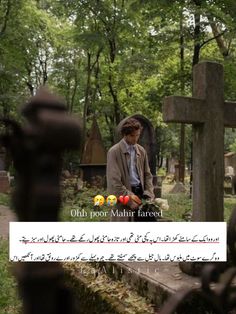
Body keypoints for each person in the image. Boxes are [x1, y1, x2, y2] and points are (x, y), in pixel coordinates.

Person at [106, 117, 154, 221]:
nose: (135, 139)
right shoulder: (114, 152)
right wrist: (128, 200)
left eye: (138, 135)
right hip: (124, 195)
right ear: (124, 134)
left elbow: (147, 175)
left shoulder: (141, 151)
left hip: (141, 194)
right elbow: (114, 182)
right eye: (132, 136)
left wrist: (149, 193)